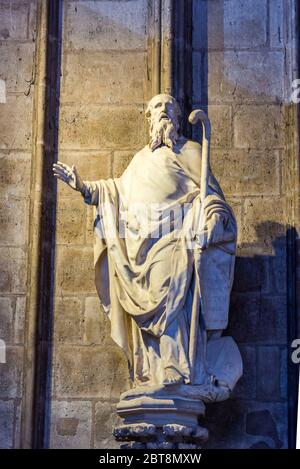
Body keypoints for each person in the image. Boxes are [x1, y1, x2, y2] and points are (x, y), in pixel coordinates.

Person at [53, 94, 237, 388]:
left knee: (171, 286)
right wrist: (84, 187)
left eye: (169, 107)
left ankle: (176, 366)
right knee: (148, 297)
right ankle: (149, 370)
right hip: (139, 243)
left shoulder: (191, 151)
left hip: (177, 237)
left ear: (177, 117)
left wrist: (213, 217)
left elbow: (212, 197)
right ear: (148, 118)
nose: (163, 111)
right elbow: (116, 191)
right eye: (156, 107)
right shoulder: (140, 160)